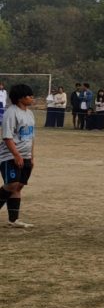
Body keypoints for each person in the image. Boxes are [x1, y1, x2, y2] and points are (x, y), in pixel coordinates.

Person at [0, 84, 37, 228]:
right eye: (29, 96)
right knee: (12, 184)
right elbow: (7, 137)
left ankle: (13, 220)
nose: (32, 98)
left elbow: (31, 137)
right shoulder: (11, 113)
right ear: (21, 98)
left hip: (25, 155)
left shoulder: (30, 113)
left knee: (18, 187)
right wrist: (16, 155)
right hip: (9, 156)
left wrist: (31, 157)